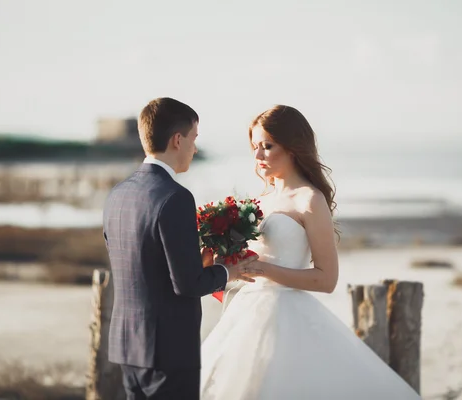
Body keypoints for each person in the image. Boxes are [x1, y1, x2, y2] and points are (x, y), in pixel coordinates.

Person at [200, 105, 421, 399]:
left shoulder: (310, 200)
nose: (258, 156)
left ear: (292, 147)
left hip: (288, 317)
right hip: (245, 312)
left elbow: (326, 279)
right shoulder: (259, 201)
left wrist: (264, 269)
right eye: (255, 147)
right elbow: (244, 261)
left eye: (267, 146)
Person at [103, 97, 256, 400]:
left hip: (127, 344)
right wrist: (229, 271)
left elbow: (140, 265)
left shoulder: (118, 194)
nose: (195, 148)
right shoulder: (175, 197)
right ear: (177, 140)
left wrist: (194, 263)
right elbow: (187, 285)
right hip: (168, 351)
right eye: (193, 138)